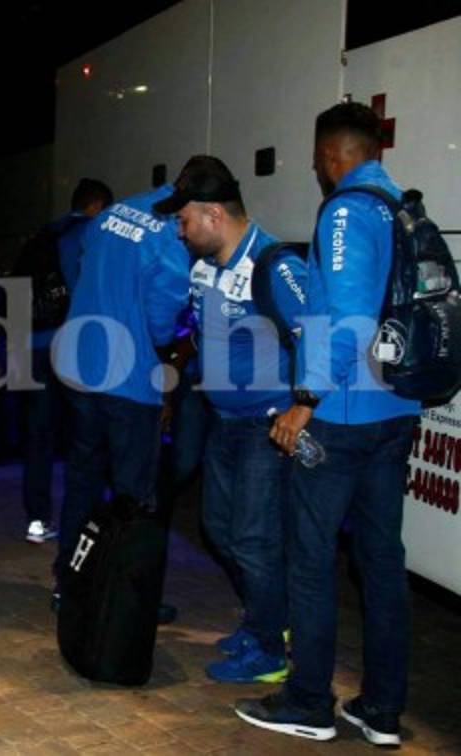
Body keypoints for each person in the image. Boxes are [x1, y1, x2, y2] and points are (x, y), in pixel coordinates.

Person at [235, 102, 420, 747]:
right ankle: (383, 711)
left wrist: (304, 400)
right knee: (381, 562)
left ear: (328, 155)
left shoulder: (345, 210)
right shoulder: (400, 204)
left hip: (342, 416)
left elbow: (347, 317)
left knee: (310, 562)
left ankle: (309, 702)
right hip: (397, 411)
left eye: (318, 159)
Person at [154, 155, 305, 684]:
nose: (179, 229)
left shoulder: (272, 262)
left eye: (184, 218)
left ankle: (271, 648)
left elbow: (320, 335)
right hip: (222, 420)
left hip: (265, 424)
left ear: (213, 213)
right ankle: (265, 620)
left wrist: (301, 406)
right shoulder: (201, 267)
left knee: (254, 538)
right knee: (218, 527)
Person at [51, 179, 190, 594]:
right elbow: (162, 322)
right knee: (134, 498)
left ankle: (70, 582)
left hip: (81, 367)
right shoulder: (170, 235)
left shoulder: (112, 213)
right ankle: (126, 597)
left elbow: (82, 271)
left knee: (82, 482)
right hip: (128, 381)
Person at [17, 178, 112, 543]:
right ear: (98, 206)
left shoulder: (43, 235)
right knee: (84, 434)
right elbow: (87, 288)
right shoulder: (88, 233)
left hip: (34, 342)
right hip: (71, 343)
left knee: (38, 435)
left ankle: (37, 520)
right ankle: (85, 519)